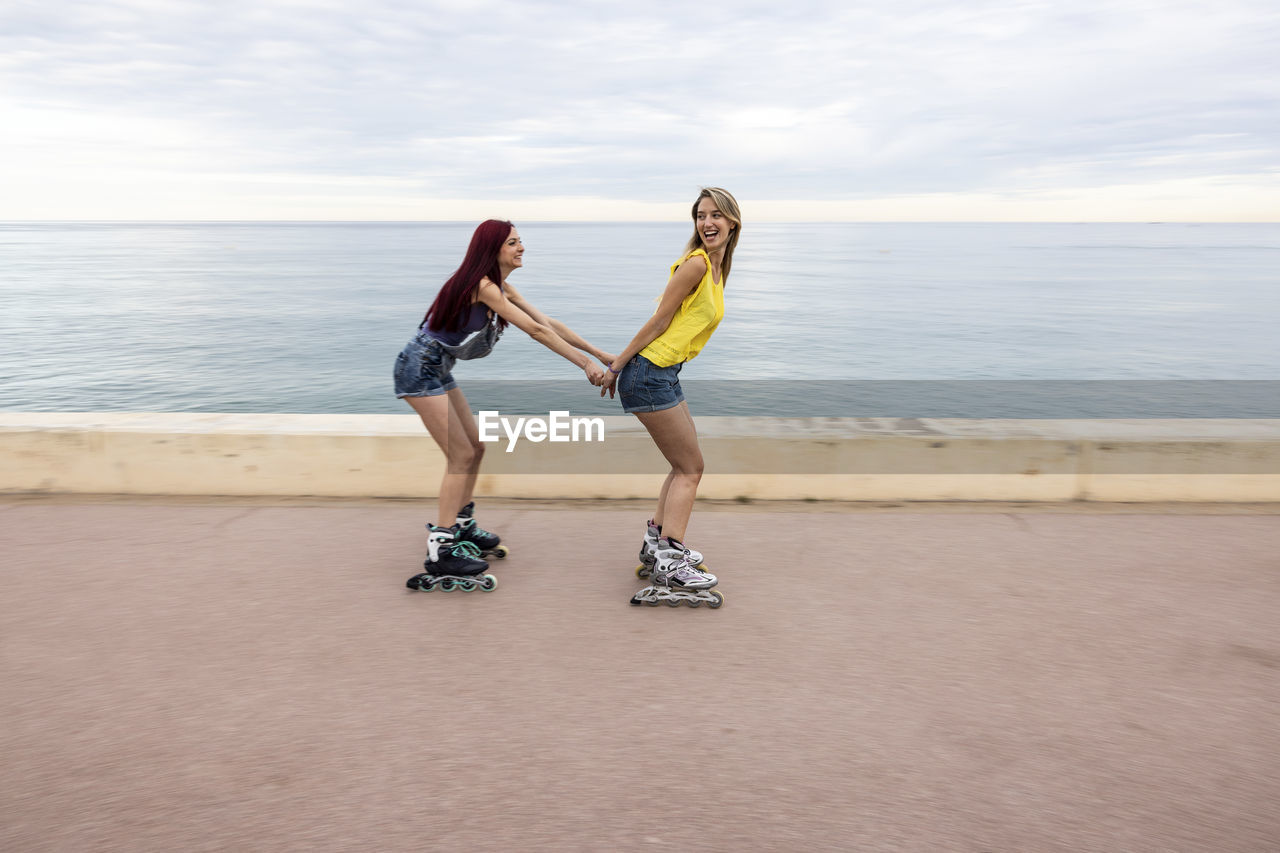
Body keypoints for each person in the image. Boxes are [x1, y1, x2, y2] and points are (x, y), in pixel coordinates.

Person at [395, 220, 613, 590]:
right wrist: (586, 367)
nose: (521, 247)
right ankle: (441, 547)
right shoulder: (482, 288)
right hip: (419, 369)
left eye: (520, 240)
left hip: (437, 367)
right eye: (513, 242)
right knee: (460, 455)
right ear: (492, 249)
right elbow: (537, 332)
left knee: (475, 447)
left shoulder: (500, 287)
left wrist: (599, 353)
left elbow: (547, 322)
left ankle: (461, 523)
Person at [599, 187, 741, 607]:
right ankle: (670, 560)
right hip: (648, 373)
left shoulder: (716, 269)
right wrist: (617, 365)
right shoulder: (696, 265)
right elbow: (659, 320)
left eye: (715, 215)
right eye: (701, 215)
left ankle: (656, 544)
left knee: (683, 465)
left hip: (664, 371)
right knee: (690, 468)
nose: (707, 222)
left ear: (733, 221)